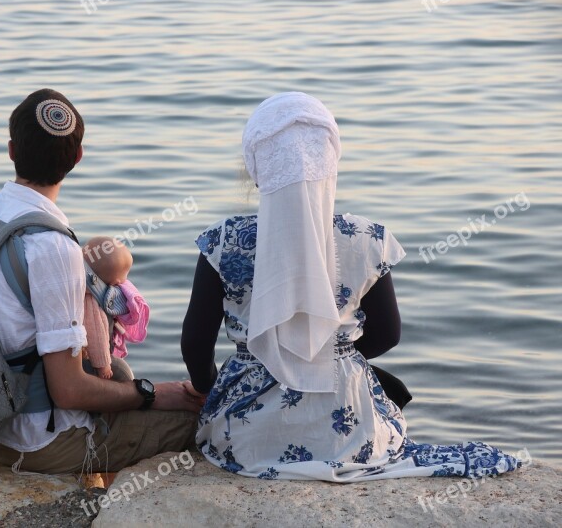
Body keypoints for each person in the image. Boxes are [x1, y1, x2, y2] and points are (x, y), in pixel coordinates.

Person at [180, 92, 523, 481]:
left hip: (245, 438)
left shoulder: (223, 240)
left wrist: (209, 388)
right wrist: (331, 354)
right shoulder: (365, 237)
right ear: (329, 162)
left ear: (257, 165)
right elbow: (387, 335)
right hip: (348, 427)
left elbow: (195, 343)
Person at [0, 89, 201, 475]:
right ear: (78, 158)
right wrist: (154, 394)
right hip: (35, 441)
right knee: (204, 422)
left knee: (117, 374)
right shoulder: (51, 247)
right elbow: (69, 392)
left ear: (12, 150)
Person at [81, 236, 150, 380]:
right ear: (115, 282)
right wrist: (103, 365)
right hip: (89, 359)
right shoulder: (92, 302)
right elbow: (97, 337)